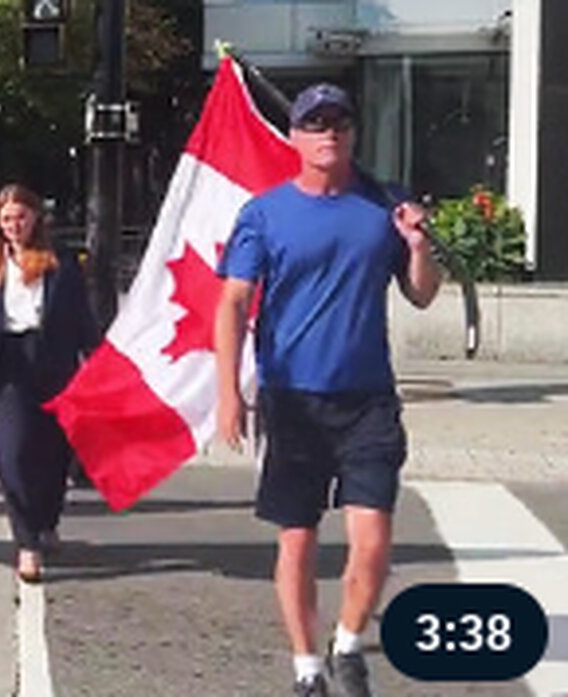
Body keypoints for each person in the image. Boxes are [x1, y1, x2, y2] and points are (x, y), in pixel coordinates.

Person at [214, 84, 441, 697]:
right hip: (292, 397)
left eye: (339, 122)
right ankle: (306, 667)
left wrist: (418, 246)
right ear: (295, 137)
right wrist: (229, 392)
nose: (328, 133)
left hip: (367, 398)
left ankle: (347, 640)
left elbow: (422, 293)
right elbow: (233, 301)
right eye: (314, 124)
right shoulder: (264, 213)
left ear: (353, 132)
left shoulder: (384, 204)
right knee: (299, 537)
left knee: (373, 543)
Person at [0, 184, 99, 584]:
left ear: (36, 217)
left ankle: (47, 520)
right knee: (12, 457)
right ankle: (27, 542)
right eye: (5, 219)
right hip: (9, 364)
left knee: (52, 455)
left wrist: (96, 359)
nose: (13, 225)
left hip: (53, 359)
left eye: (20, 217)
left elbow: (80, 317)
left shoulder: (61, 262)